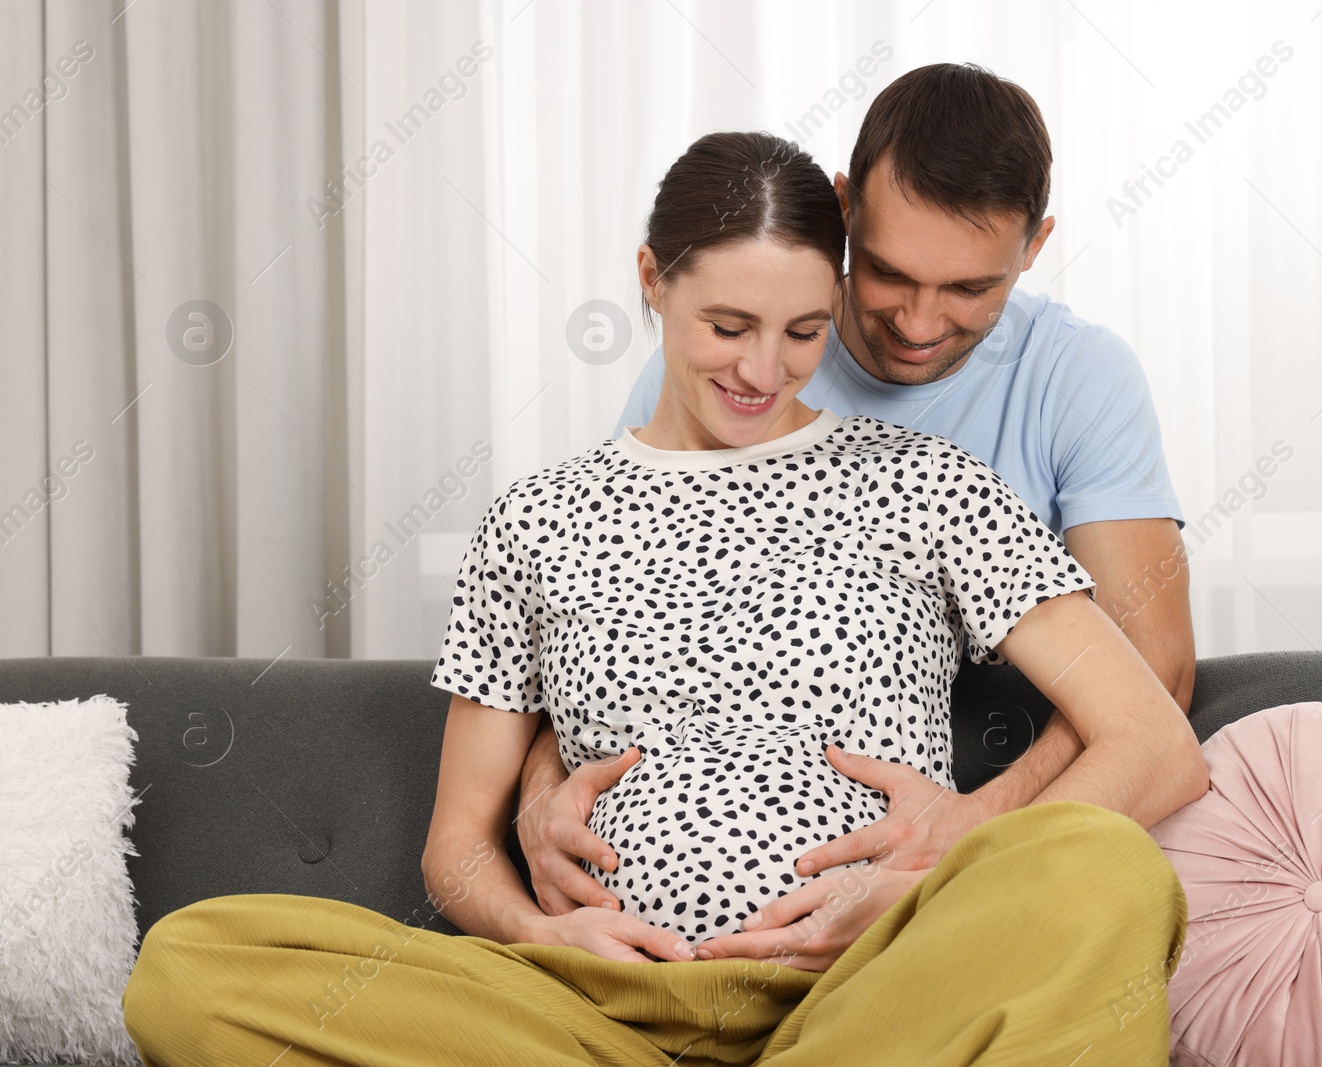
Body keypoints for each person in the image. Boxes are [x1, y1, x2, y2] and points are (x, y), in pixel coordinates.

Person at [120, 131, 1206, 1066]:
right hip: (592, 1015)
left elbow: (1154, 744)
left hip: (865, 988)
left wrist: (940, 862)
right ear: (652, 278)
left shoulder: (927, 482)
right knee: (192, 964)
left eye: (803, 330)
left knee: (1103, 871)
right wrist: (544, 935)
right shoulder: (536, 518)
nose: (764, 369)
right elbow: (456, 844)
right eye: (727, 325)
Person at [516, 61, 1195, 964]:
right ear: (844, 210)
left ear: (1034, 249)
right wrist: (537, 802)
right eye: (885, 272)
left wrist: (973, 830)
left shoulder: (1075, 379)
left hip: (975, 798)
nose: (919, 321)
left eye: (969, 290)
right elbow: (598, 627)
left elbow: (1155, 675)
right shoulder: (730, 367)